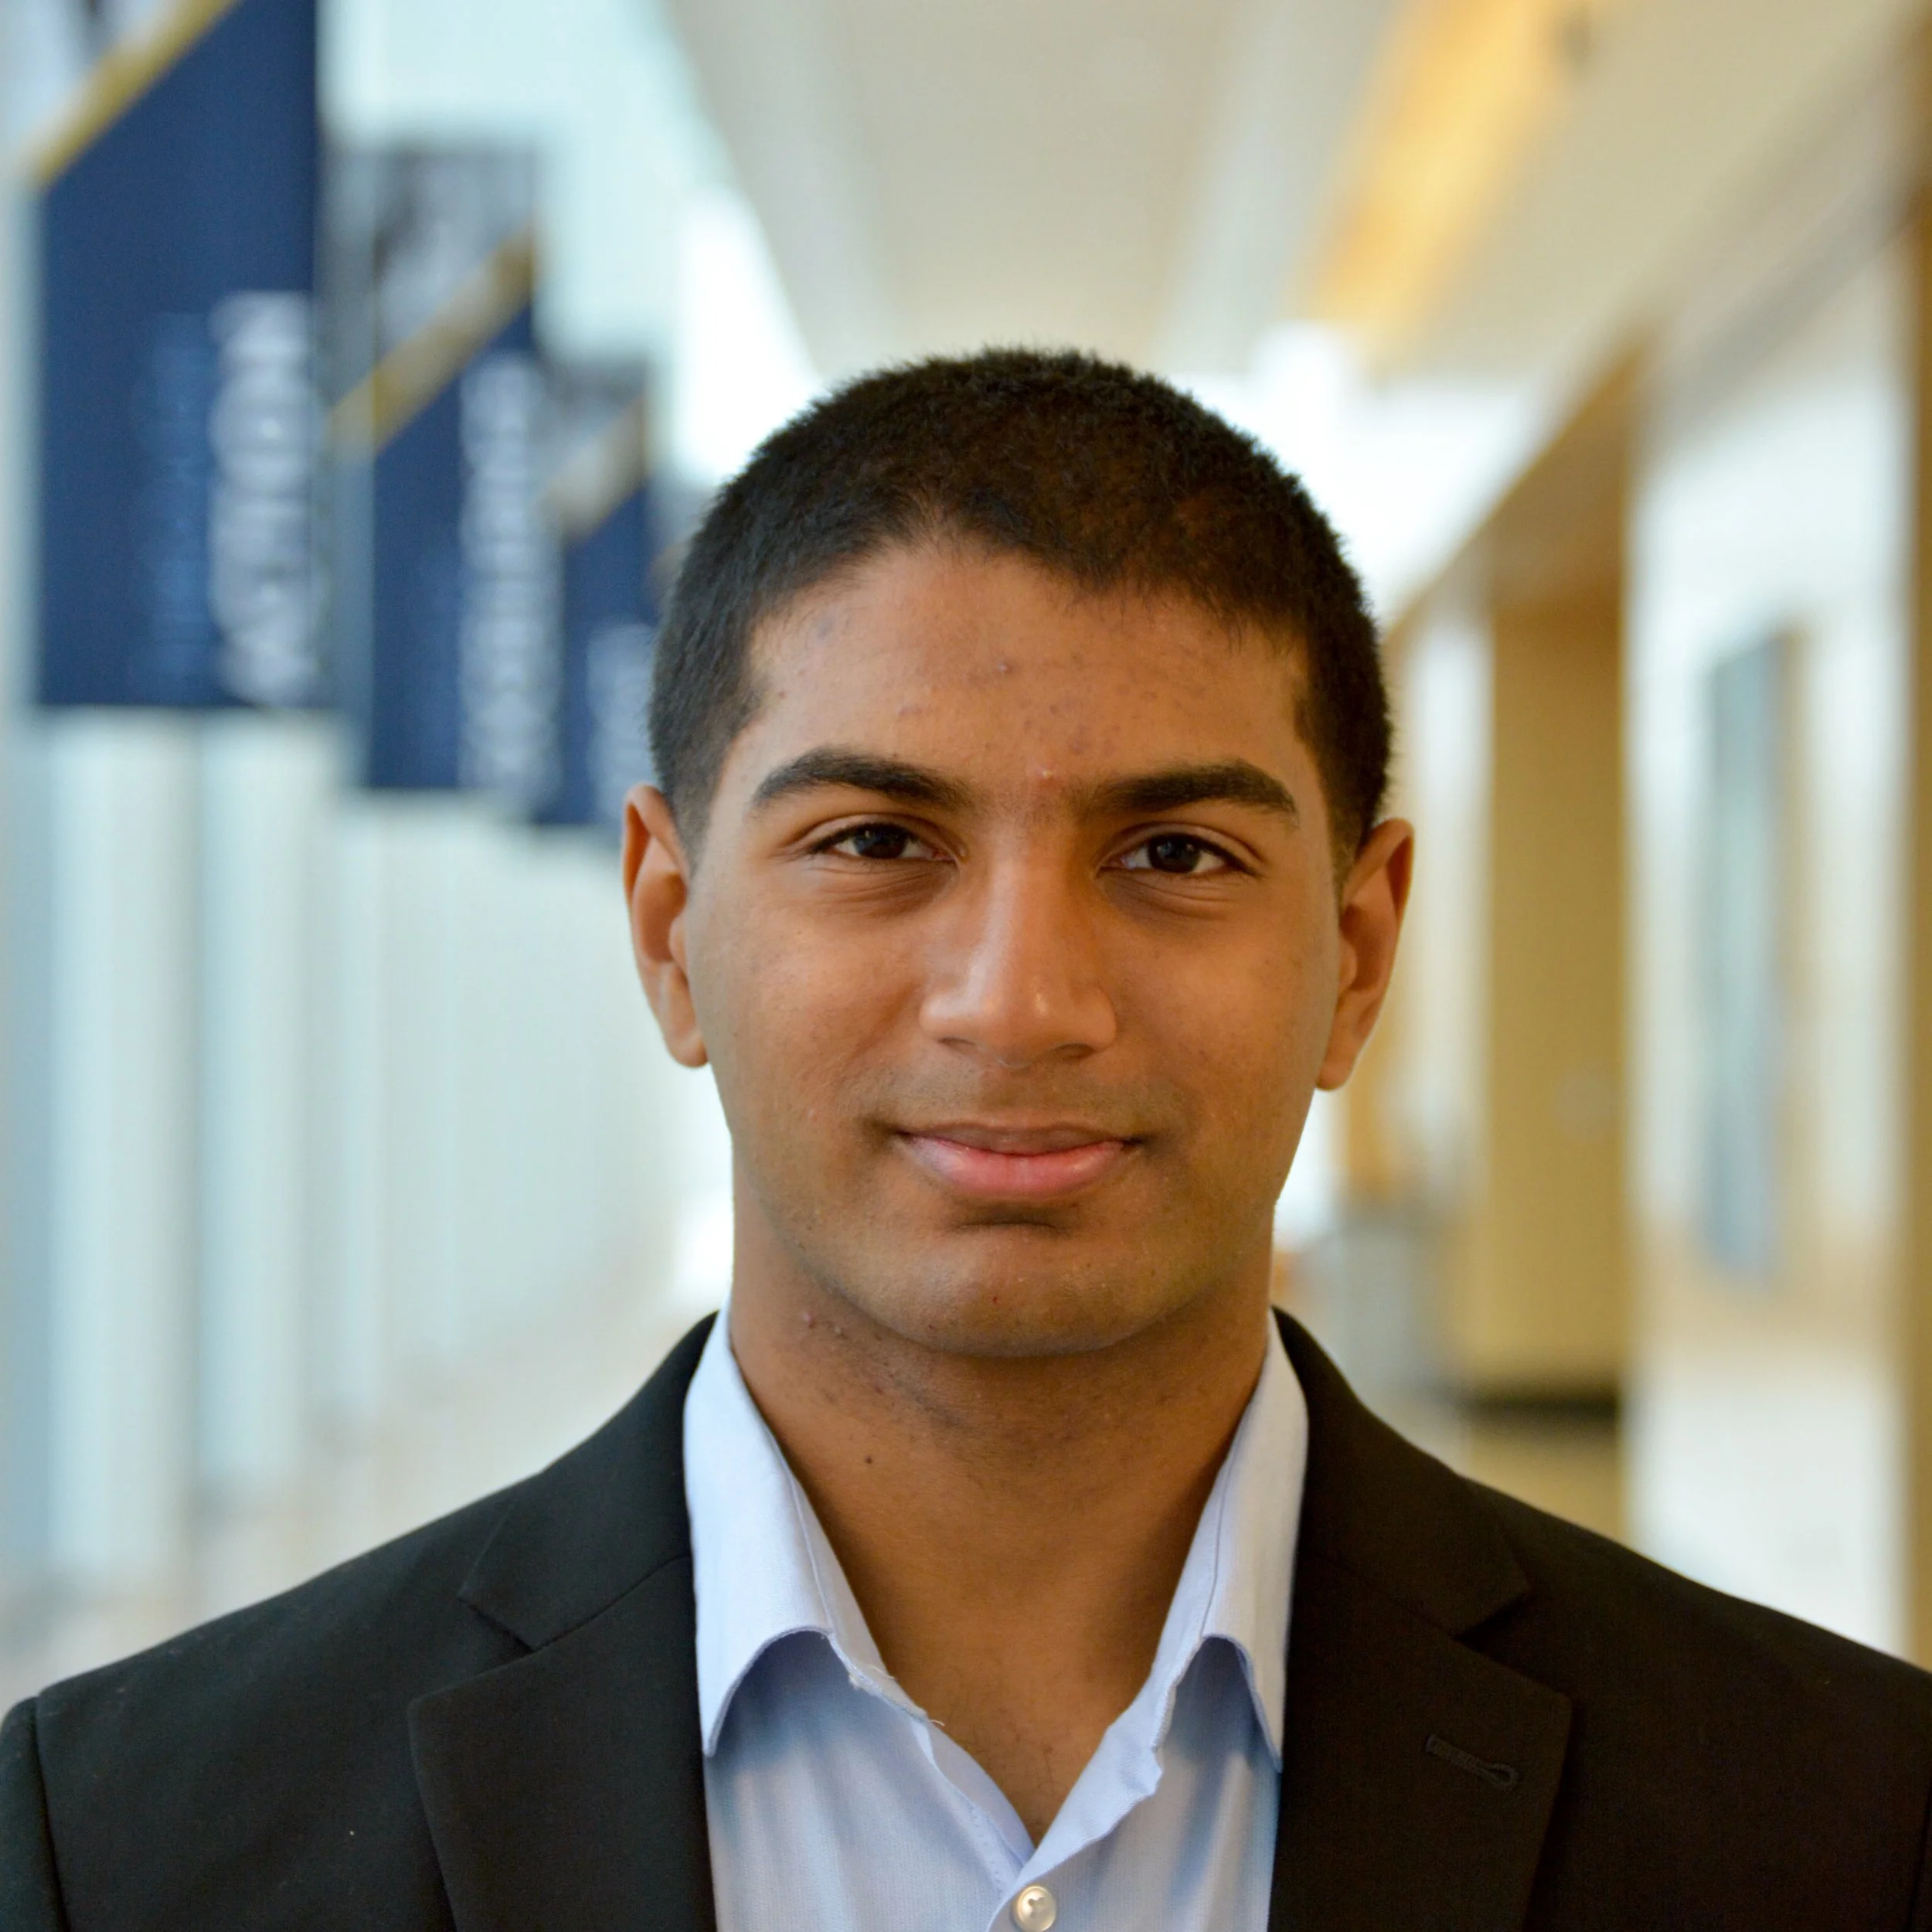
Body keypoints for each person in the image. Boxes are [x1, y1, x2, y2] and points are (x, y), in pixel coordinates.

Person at [4, 349, 1930, 1930]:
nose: (1018, 1002)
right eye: (873, 841)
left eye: (1173, 853)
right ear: (670, 929)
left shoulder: (1840, 1821)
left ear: (1353, 957)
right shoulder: (127, 1843)